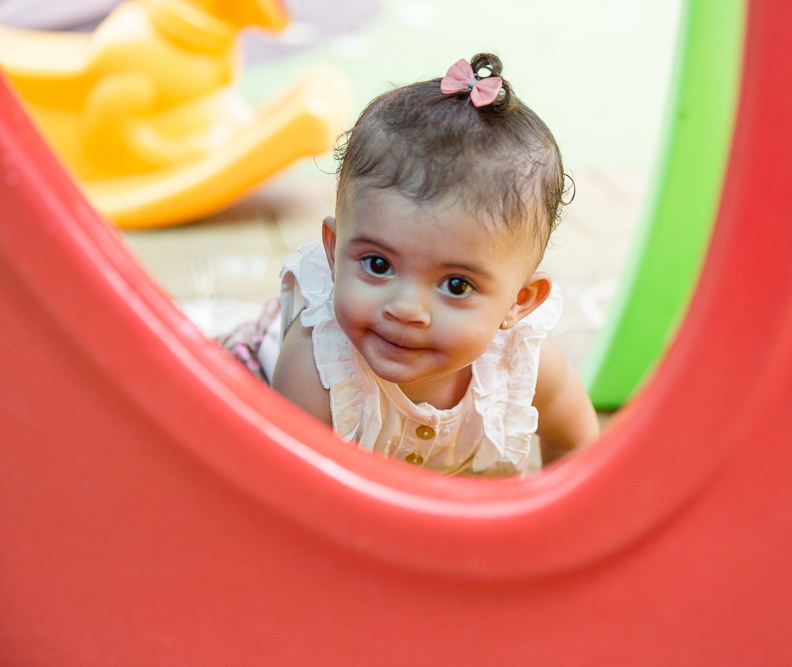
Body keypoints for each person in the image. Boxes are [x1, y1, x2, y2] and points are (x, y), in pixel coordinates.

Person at [254, 53, 598, 475]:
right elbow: (286, 498)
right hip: (260, 391)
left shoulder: (527, 366)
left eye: (456, 285)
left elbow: (575, 449)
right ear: (333, 251)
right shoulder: (315, 372)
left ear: (519, 302)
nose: (405, 308)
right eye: (378, 264)